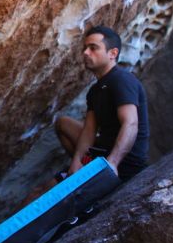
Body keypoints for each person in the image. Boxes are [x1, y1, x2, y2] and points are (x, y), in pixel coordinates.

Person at [21, 25, 149, 205]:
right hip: (100, 155)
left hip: (124, 164)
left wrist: (111, 164)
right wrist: (76, 162)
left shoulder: (122, 80)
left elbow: (131, 124)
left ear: (112, 53)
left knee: (41, 195)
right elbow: (89, 131)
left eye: (93, 48)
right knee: (63, 124)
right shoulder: (96, 90)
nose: (86, 53)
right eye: (85, 48)